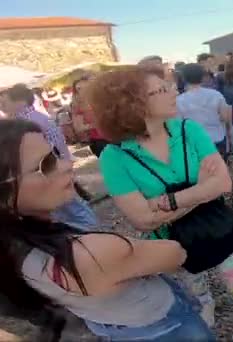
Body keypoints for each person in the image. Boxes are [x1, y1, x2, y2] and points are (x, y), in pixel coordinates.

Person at [0, 119, 215, 341]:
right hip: (165, 325)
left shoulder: (17, 247)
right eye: (46, 164)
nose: (67, 163)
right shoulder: (86, 255)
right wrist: (200, 192)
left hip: (114, 324)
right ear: (4, 194)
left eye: (55, 153)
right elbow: (175, 254)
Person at [90, 67, 233, 337]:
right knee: (195, 283)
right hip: (173, 240)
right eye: (161, 90)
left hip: (213, 226)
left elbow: (224, 183)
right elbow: (143, 220)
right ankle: (207, 305)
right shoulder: (114, 157)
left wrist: (167, 201)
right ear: (131, 103)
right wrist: (201, 189)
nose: (174, 92)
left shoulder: (189, 130)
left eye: (169, 86)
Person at [0, 84, 97, 231]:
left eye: (4, 103)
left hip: (51, 177)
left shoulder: (25, 125)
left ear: (19, 101)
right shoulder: (37, 117)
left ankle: (94, 233)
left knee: (72, 210)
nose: (2, 107)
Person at [177, 63, 232, 159]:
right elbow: (225, 117)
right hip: (216, 137)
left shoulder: (179, 100)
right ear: (202, 77)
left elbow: (178, 124)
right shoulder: (216, 95)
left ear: (184, 78)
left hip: (193, 141)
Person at [72, 76, 109, 158]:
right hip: (99, 141)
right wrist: (97, 124)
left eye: (84, 87)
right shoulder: (78, 107)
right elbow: (79, 128)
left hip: (116, 135)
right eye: (78, 89)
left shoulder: (104, 99)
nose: (81, 90)